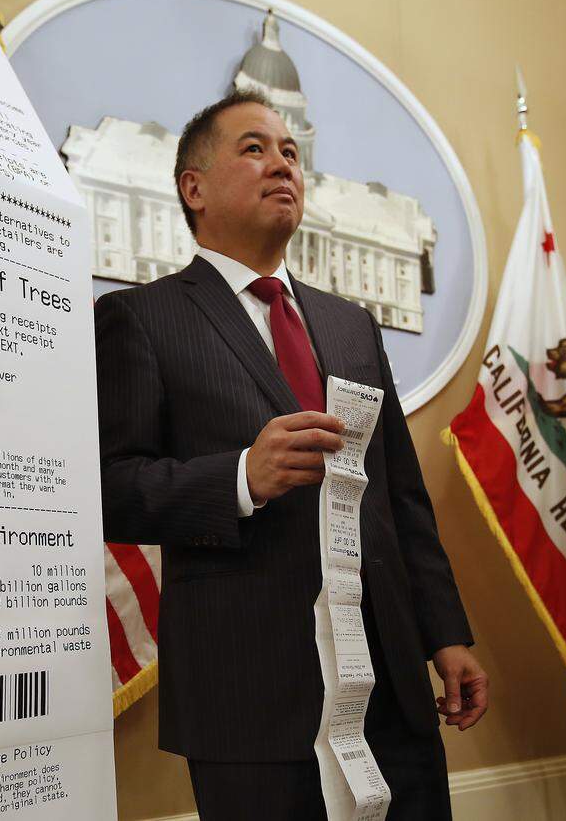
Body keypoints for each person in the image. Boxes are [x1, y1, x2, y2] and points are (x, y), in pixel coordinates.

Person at [95, 91, 489, 820]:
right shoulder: (141, 318)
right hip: (250, 692)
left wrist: (445, 633)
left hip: (390, 683)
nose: (282, 164)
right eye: (254, 148)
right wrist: (240, 477)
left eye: (290, 153)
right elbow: (112, 489)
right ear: (194, 188)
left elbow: (400, 495)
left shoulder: (350, 325)